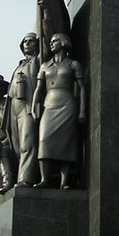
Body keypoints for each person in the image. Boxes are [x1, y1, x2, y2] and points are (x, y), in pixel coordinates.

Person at [32, 33, 86, 189]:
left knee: (67, 143)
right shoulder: (44, 66)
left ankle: (64, 182)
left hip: (67, 104)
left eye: (54, 41)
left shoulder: (73, 64)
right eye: (50, 42)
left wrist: (82, 110)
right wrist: (35, 107)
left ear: (63, 42)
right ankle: (44, 179)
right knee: (44, 139)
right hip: (49, 104)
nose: (51, 44)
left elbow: (82, 88)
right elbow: (38, 89)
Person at [5, 33, 41, 186]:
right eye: (24, 42)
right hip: (14, 109)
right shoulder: (19, 65)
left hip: (28, 106)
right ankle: (16, 177)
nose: (27, 44)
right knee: (17, 147)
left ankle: (25, 179)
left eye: (30, 41)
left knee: (28, 143)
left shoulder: (38, 60)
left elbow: (46, 39)